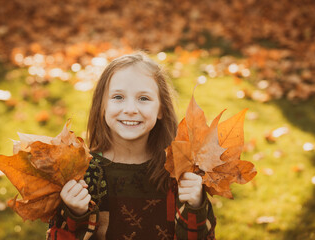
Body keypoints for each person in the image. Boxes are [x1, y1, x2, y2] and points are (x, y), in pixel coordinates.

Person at [47, 52, 216, 240]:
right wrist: (75, 214)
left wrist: (195, 205)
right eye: (118, 97)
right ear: (102, 106)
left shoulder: (179, 172)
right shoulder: (84, 173)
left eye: (143, 98)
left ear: (161, 109)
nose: (130, 109)